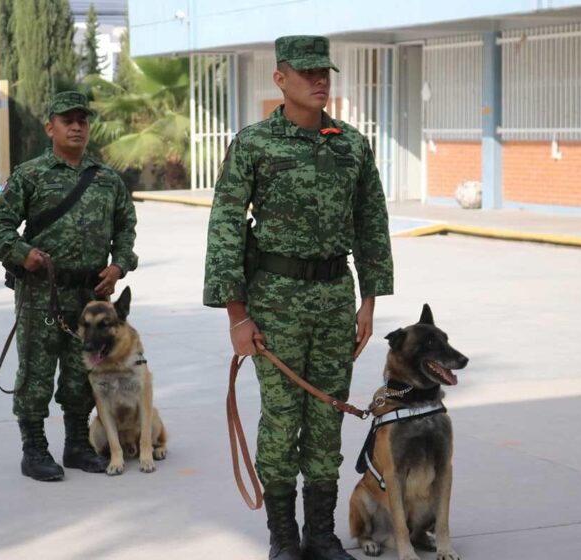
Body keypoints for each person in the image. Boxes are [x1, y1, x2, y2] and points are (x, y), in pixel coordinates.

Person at [203, 36, 394, 560]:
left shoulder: (351, 144)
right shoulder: (255, 143)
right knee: (282, 419)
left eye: (325, 73)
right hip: (274, 302)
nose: (320, 81)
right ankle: (284, 537)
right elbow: (225, 227)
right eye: (307, 72)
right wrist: (236, 315)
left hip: (335, 299)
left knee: (327, 418)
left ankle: (321, 534)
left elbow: (371, 224)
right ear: (280, 79)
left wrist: (369, 302)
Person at [0, 91, 138, 482]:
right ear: (49, 127)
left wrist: (119, 265)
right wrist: (24, 254)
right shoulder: (30, 175)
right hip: (42, 293)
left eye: (82, 120)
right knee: (36, 373)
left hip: (90, 297)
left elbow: (126, 227)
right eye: (67, 120)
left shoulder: (107, 180)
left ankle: (76, 444)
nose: (76, 126)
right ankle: (34, 448)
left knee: (81, 371)